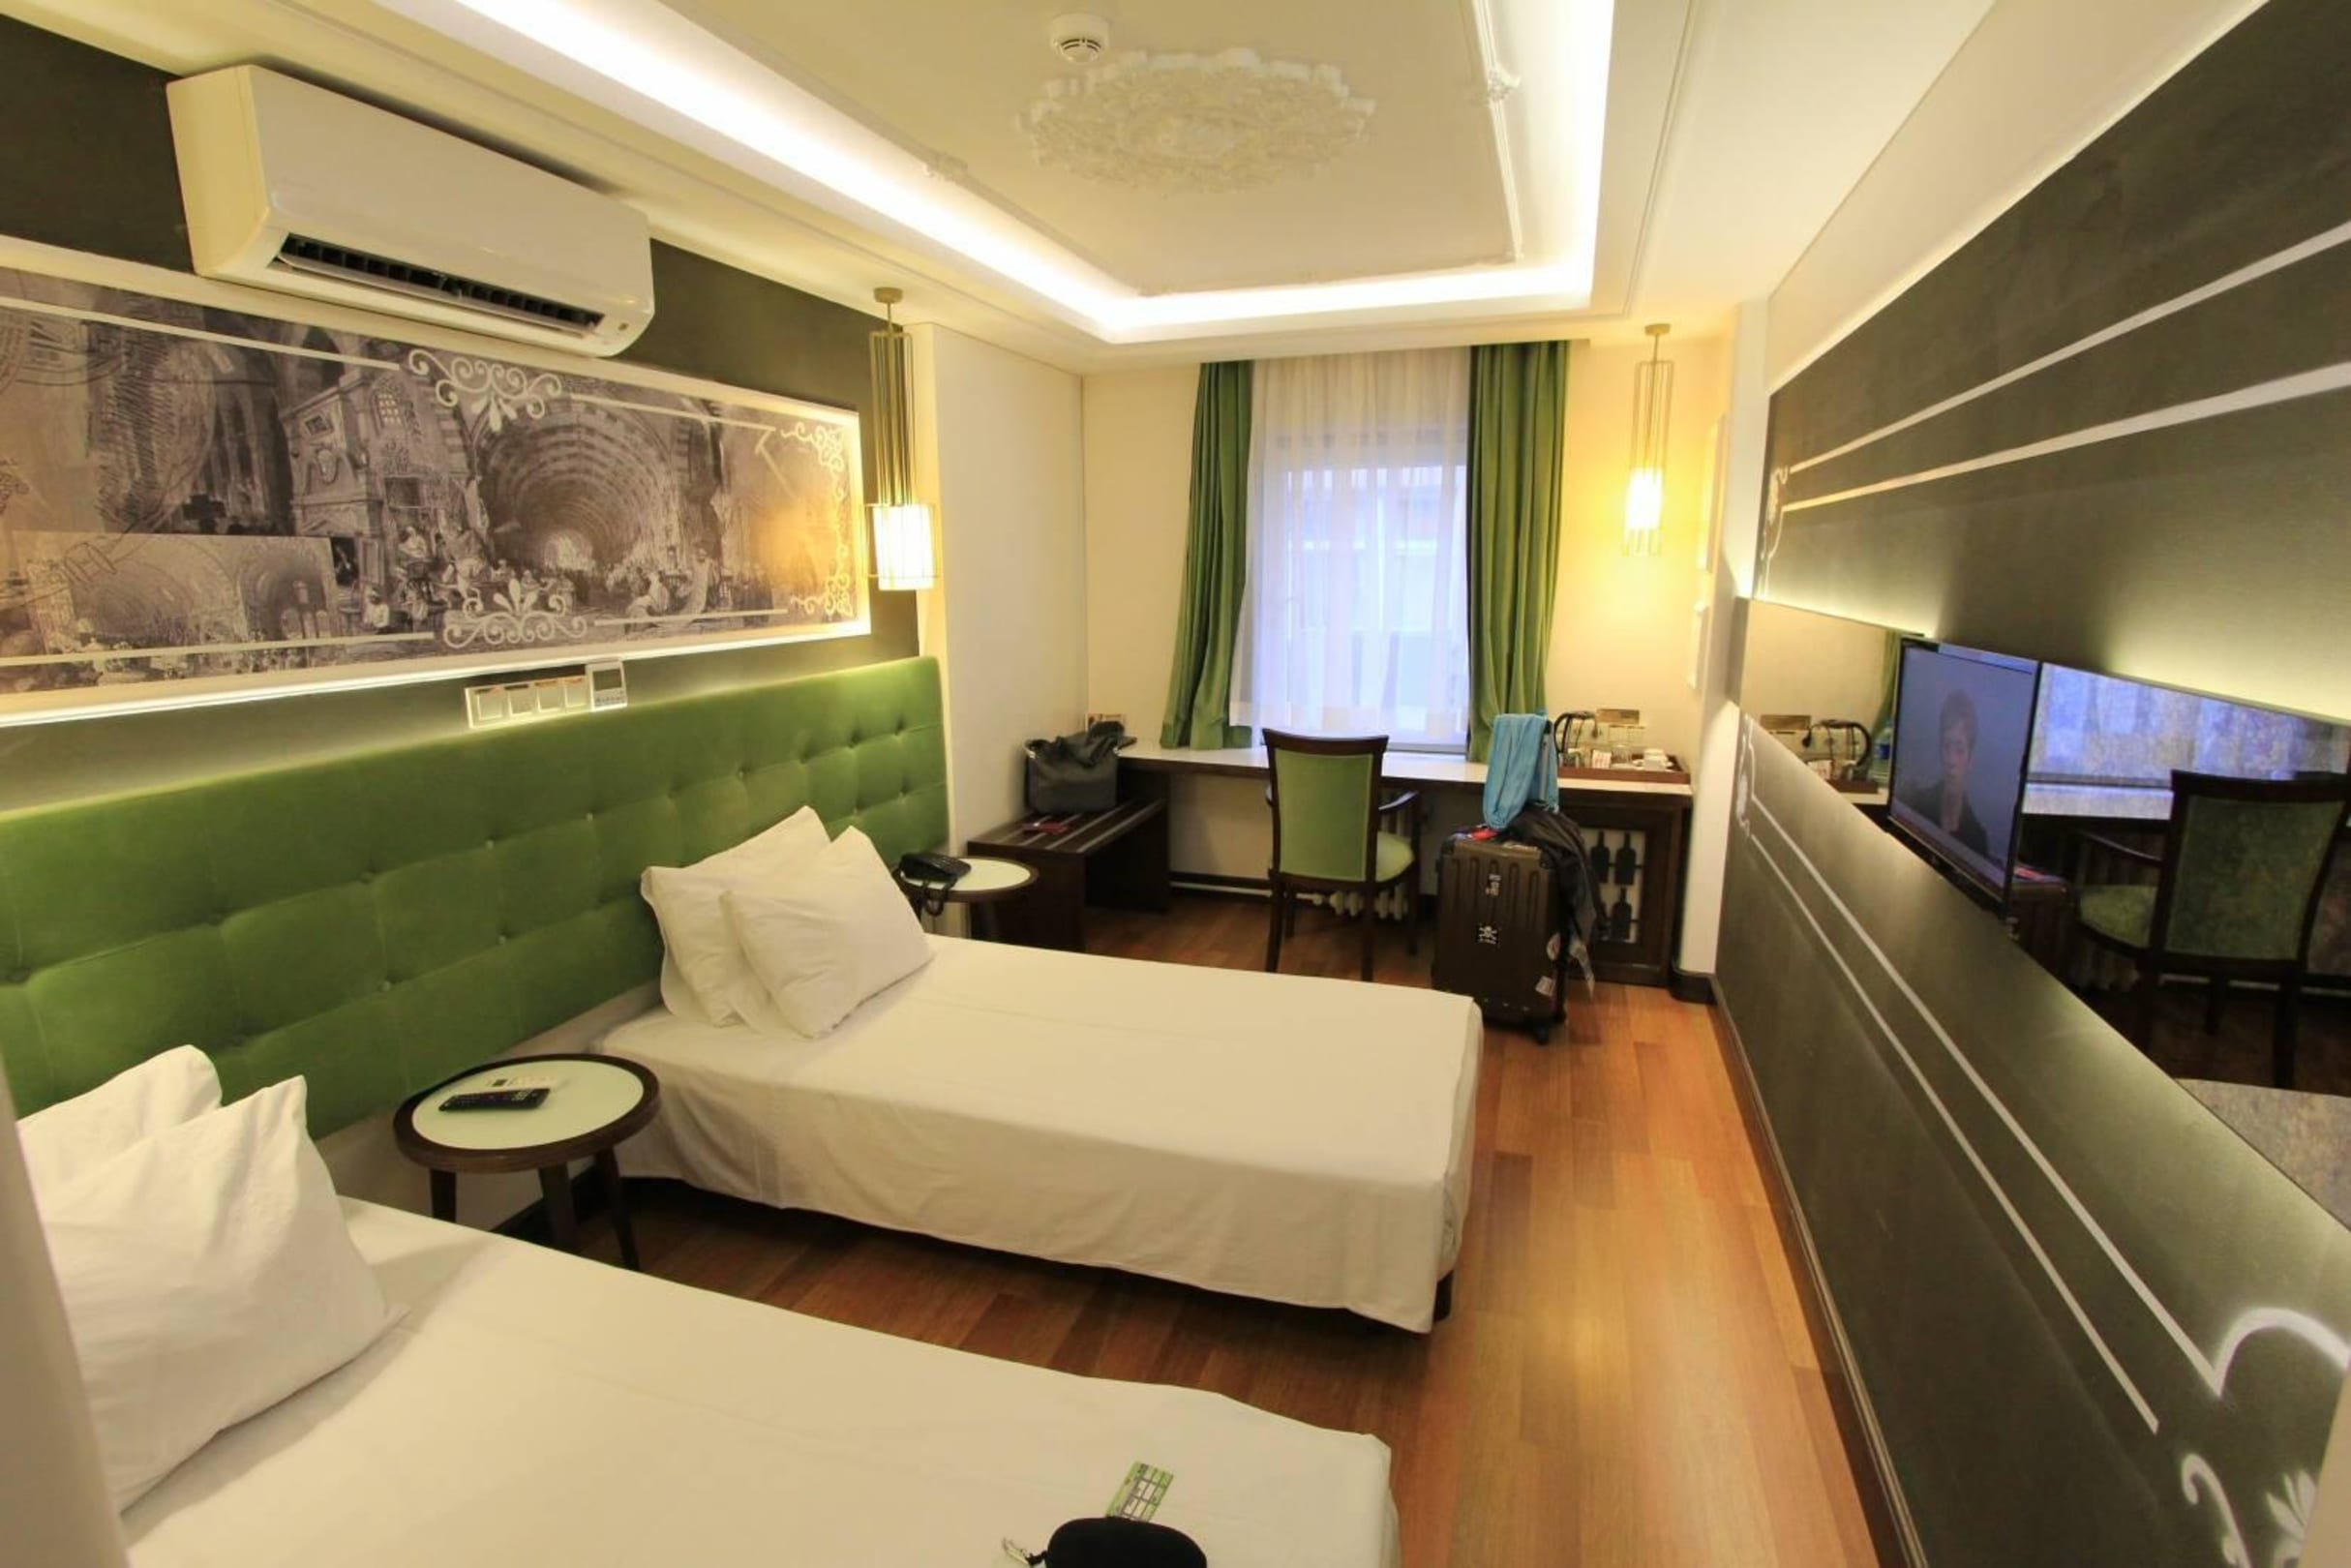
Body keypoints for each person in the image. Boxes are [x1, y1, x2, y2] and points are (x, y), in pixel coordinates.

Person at [1902, 687, 1992, 856]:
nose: (1951, 760)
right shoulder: (1918, 805)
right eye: (1946, 746)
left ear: (1970, 759)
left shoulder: (1977, 838)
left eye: (1959, 750)